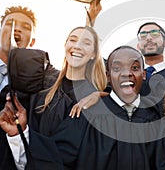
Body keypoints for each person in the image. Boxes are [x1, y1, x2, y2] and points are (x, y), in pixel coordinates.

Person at [0, 25, 107, 169]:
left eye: (86, 43)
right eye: (73, 40)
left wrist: (103, 94)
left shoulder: (92, 100)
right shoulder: (41, 86)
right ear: (65, 45)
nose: (77, 46)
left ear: (94, 53)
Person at [136, 22, 165, 115]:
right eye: (143, 35)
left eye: (155, 34)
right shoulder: (130, 78)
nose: (148, 38)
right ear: (138, 46)